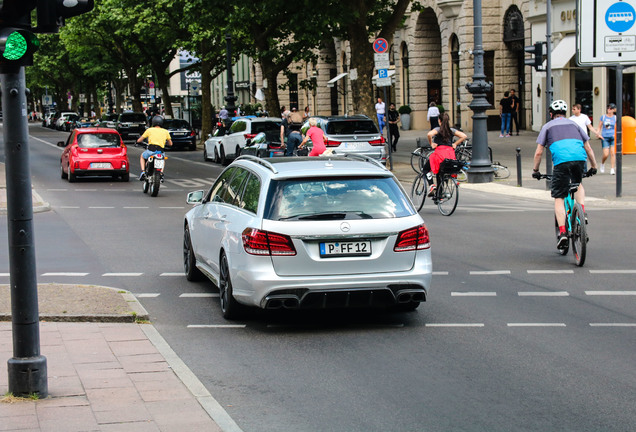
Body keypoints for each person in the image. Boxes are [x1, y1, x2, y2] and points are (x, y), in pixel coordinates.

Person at [532, 100, 598, 249]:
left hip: (561, 162)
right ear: (565, 113)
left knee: (559, 197)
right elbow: (588, 148)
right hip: (580, 159)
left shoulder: (547, 127)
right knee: (578, 182)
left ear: (551, 114)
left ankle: (562, 233)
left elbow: (538, 152)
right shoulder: (575, 125)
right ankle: (582, 212)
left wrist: (535, 171)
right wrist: (594, 166)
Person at [423, 112, 467, 197]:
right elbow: (464, 136)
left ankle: (431, 185)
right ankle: (439, 195)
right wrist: (455, 144)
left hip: (440, 154)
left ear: (439, 120)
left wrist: (431, 143)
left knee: (426, 169)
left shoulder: (438, 129)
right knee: (442, 173)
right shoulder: (451, 130)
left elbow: (429, 134)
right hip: (450, 154)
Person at [137, 115, 172, 180]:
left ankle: (143, 172)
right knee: (162, 160)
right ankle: (161, 173)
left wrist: (138, 141)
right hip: (160, 151)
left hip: (151, 150)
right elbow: (170, 143)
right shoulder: (165, 131)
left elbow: (139, 140)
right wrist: (166, 143)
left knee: (142, 156)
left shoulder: (149, 130)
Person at [596, 103, 617, 175]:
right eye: (608, 108)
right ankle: (602, 163)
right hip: (605, 137)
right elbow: (599, 127)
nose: (609, 110)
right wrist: (598, 133)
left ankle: (612, 168)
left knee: (612, 153)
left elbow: (617, 127)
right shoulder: (603, 117)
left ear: (614, 110)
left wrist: (616, 134)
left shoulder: (615, 118)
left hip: (613, 137)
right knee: (605, 154)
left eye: (611, 108)